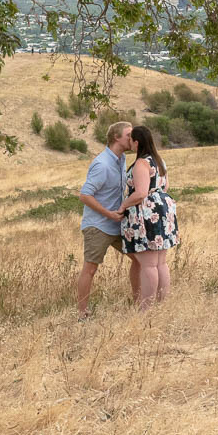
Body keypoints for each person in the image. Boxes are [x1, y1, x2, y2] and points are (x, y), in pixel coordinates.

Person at [76, 121, 139, 319]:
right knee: (91, 268)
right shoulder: (102, 164)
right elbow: (85, 195)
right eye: (129, 134)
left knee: (139, 259)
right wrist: (109, 214)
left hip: (116, 224)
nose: (133, 137)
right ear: (116, 138)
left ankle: (138, 303)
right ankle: (82, 313)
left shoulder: (120, 160)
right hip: (98, 225)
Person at [118, 125, 179, 310]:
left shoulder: (141, 163)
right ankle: (160, 305)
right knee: (160, 261)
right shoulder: (159, 160)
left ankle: (146, 309)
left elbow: (141, 193)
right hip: (164, 209)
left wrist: (123, 206)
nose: (129, 143)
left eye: (131, 140)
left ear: (136, 142)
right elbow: (165, 187)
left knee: (149, 264)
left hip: (147, 215)